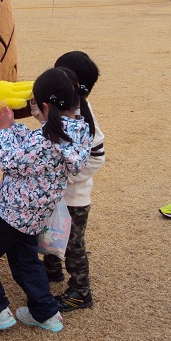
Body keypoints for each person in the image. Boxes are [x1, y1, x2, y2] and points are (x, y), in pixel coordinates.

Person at [0, 67, 92, 333]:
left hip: (9, 212)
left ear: (45, 105)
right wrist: (23, 125)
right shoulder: (79, 131)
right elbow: (42, 143)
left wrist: (3, 128)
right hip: (36, 216)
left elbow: (12, 162)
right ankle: (45, 312)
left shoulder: (46, 138)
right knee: (25, 261)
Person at [39, 51, 105, 312]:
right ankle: (52, 269)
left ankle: (81, 290)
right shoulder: (61, 106)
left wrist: (68, 175)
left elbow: (97, 156)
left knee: (72, 244)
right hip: (57, 192)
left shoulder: (84, 118)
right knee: (50, 231)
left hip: (74, 196)